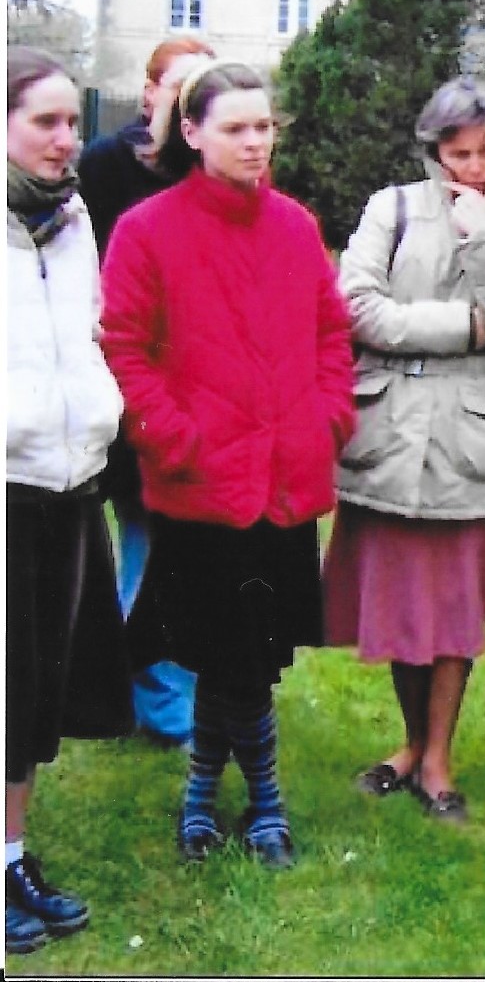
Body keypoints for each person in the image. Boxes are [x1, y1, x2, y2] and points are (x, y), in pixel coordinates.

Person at [101, 60, 355, 870]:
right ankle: (257, 803)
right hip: (200, 489)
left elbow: (331, 332)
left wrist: (327, 418)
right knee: (226, 655)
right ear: (192, 131)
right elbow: (124, 350)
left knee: (242, 659)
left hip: (283, 483)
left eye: (264, 125)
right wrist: (176, 438)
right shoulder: (147, 229)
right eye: (235, 127)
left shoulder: (294, 225)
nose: (255, 141)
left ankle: (208, 799)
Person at [322, 77, 485, 823]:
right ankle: (410, 742)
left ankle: (437, 759)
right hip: (388, 434)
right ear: (434, 152)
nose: (476, 168)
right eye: (460, 154)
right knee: (399, 607)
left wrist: (482, 235)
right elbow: (355, 308)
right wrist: (465, 328)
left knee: (455, 609)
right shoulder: (389, 210)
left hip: (469, 441)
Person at [6, 47, 132, 954]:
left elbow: (86, 331)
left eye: (70, 121)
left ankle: (10, 853)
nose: (66, 139)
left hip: (69, 481)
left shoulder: (71, 217)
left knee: (34, 697)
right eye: (44, 121)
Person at [76, 35, 215, 748]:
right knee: (129, 545)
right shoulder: (107, 164)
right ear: (151, 91)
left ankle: (155, 696)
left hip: (192, 393)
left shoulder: (214, 169)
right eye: (180, 85)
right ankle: (138, 693)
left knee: (170, 549)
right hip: (121, 384)